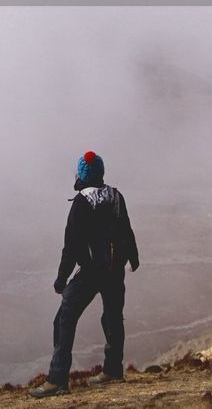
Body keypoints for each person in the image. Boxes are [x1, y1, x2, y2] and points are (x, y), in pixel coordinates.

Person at [30, 150, 140, 399]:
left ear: (81, 174)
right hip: (114, 269)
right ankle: (112, 371)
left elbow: (71, 247)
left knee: (64, 321)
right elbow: (126, 230)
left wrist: (61, 280)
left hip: (91, 272)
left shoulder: (81, 203)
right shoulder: (116, 196)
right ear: (101, 173)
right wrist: (133, 259)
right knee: (112, 317)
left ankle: (57, 380)